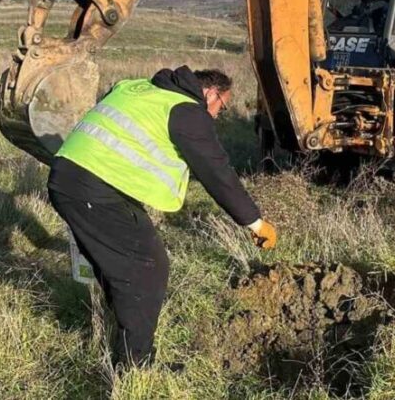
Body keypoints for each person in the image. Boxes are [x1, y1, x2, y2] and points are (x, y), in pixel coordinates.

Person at [47, 66, 277, 368]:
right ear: (210, 93)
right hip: (92, 189)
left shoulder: (138, 87)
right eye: (223, 106)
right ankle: (135, 366)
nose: (219, 115)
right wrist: (255, 222)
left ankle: (123, 341)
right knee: (148, 267)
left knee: (122, 267)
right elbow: (218, 173)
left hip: (74, 178)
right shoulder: (188, 112)